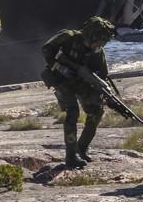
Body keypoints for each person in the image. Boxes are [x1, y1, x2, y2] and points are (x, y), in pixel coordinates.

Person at [41, 16, 117, 168]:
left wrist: (105, 94)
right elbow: (46, 49)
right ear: (91, 35)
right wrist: (58, 66)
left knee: (96, 111)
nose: (100, 44)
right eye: (99, 40)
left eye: (103, 41)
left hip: (81, 82)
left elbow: (102, 75)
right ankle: (71, 156)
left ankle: (81, 149)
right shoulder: (68, 37)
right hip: (61, 80)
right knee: (73, 112)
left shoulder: (98, 53)